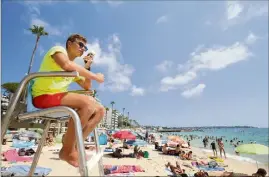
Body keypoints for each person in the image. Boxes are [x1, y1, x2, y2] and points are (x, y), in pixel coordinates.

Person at [31, 34, 105, 167]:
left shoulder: (76, 67)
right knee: (88, 103)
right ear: (69, 43)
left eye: (85, 47)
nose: (83, 49)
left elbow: (87, 86)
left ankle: (73, 145)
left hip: (58, 97)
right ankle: (67, 151)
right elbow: (66, 64)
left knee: (100, 110)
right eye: (80, 45)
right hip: (43, 95)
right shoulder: (58, 50)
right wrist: (95, 76)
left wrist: (87, 67)